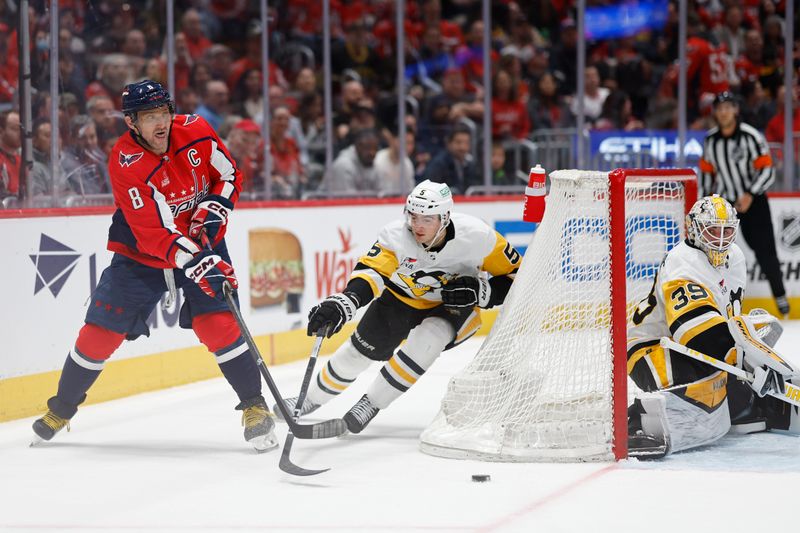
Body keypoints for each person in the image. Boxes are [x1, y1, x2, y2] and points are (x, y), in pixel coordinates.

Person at [31, 81, 278, 452]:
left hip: (202, 242)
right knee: (99, 333)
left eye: (163, 112)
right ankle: (62, 409)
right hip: (141, 255)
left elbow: (228, 175)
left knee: (219, 324)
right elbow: (152, 233)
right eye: (149, 117)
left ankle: (255, 407)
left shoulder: (194, 129)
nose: (161, 123)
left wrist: (214, 210)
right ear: (131, 122)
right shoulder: (125, 162)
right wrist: (195, 261)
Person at [273, 180, 522, 434]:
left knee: (430, 338)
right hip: (400, 299)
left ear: (445, 218)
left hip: (452, 308)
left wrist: (483, 292)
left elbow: (519, 275)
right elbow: (372, 273)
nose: (417, 226)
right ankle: (310, 399)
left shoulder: (480, 237)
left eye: (427, 219)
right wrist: (345, 302)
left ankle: (370, 403)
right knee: (355, 354)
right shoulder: (395, 235)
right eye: (413, 216)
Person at [626, 195, 798, 458]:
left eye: (726, 230)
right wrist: (748, 363)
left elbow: (727, 323)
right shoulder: (682, 263)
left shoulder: (735, 257)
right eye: (712, 230)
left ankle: (754, 407)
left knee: (741, 390)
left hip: (684, 348)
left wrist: (750, 360)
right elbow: (697, 335)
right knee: (710, 393)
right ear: (694, 228)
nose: (720, 238)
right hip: (649, 350)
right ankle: (639, 423)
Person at [699, 91, 789, 317]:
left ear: (736, 110)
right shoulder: (711, 141)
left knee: (765, 252)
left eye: (728, 107)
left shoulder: (751, 136)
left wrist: (750, 193)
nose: (724, 112)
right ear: (716, 113)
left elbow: (767, 170)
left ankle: (781, 300)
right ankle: (718, 304)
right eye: (719, 108)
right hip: (726, 206)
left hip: (755, 202)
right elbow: (707, 177)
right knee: (716, 254)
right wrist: (705, 203)